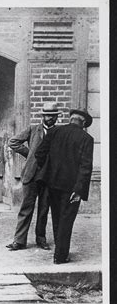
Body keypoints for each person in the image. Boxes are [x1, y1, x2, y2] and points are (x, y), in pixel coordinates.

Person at [35, 109, 94, 264]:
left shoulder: (55, 132)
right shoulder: (86, 138)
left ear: (71, 119)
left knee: (57, 218)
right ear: (83, 123)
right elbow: (85, 167)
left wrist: (49, 172)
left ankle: (58, 252)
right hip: (72, 188)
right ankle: (60, 256)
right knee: (66, 220)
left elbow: (39, 153)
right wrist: (79, 190)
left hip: (52, 184)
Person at [6, 102, 62, 251]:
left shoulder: (59, 133)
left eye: (53, 116)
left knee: (44, 209)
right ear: (43, 116)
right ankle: (19, 241)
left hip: (49, 176)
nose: (50, 118)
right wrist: (29, 154)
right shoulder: (32, 130)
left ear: (56, 117)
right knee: (26, 208)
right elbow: (13, 142)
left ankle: (41, 239)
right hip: (31, 175)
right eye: (48, 115)